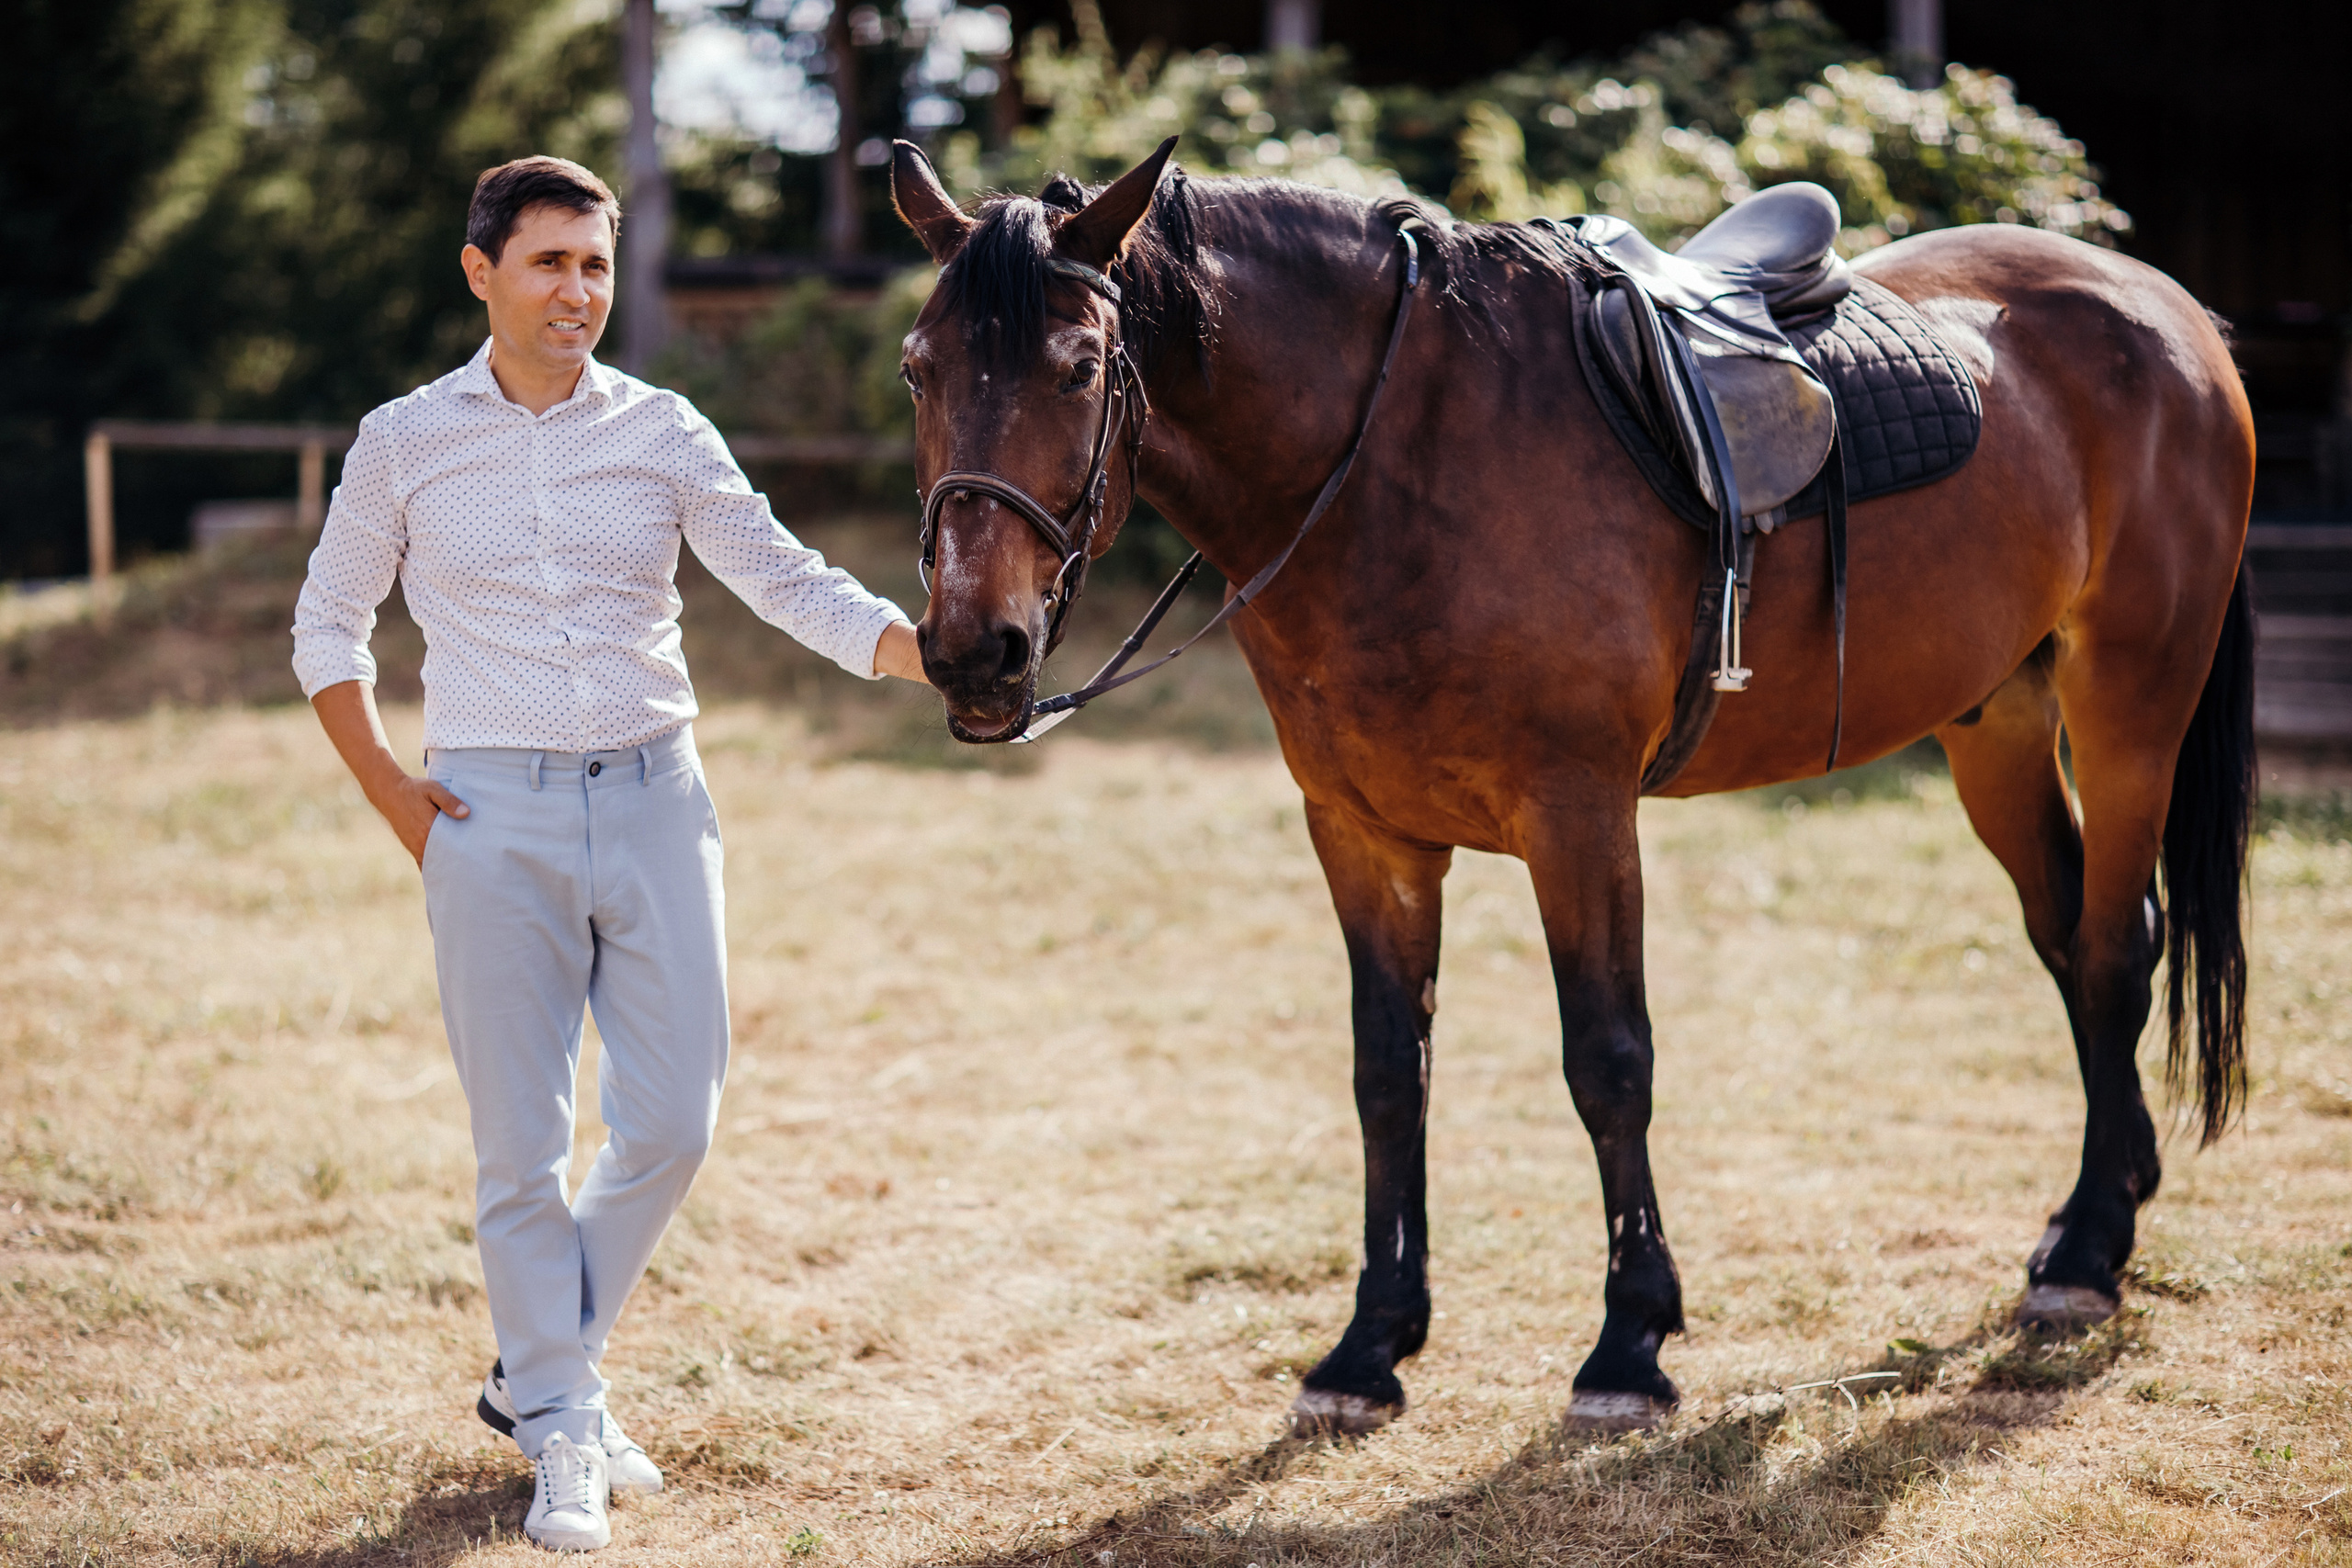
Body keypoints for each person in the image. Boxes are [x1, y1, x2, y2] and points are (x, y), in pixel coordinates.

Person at [291, 155, 927, 1552]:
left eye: (594, 264)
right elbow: (327, 625)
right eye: (548, 264)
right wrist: (393, 790)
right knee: (519, 1149)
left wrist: (913, 649)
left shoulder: (663, 429)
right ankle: (566, 1431)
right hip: (485, 819)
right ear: (481, 273)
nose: (577, 291)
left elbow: (778, 571)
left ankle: (532, 1373)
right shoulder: (403, 440)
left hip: (656, 802)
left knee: (673, 1121)